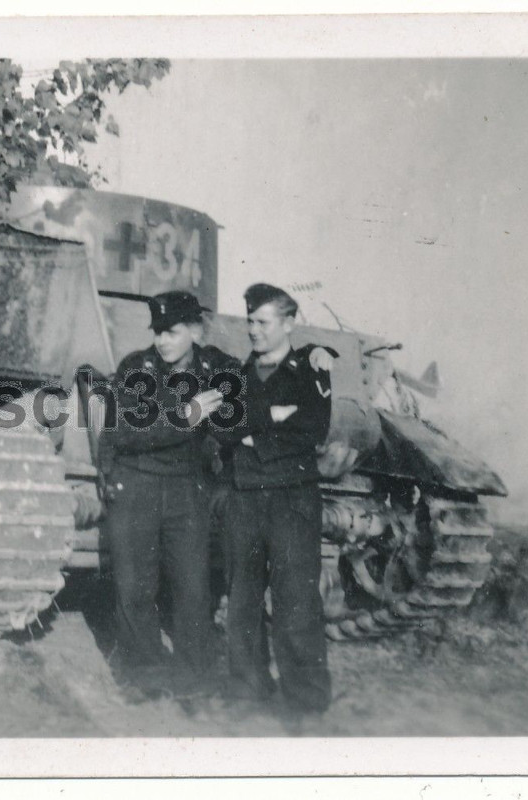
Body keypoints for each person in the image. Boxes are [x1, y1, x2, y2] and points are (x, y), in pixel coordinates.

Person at [100, 290, 239, 696]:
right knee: (135, 586)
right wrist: (187, 415)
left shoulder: (212, 365)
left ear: (195, 331)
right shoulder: (136, 368)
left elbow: (246, 374)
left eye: (173, 331)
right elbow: (127, 433)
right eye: (158, 331)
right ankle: (143, 674)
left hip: (186, 488)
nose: (162, 340)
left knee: (193, 586)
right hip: (137, 481)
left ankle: (194, 675)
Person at [216, 283, 334, 725]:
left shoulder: (310, 369)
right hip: (244, 497)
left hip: (291, 500)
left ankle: (305, 697)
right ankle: (247, 686)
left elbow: (314, 427)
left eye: (263, 322)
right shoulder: (239, 374)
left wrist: (254, 430)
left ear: (288, 324)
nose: (253, 330)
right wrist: (277, 417)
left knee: (296, 599)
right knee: (242, 598)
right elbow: (223, 429)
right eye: (250, 320)